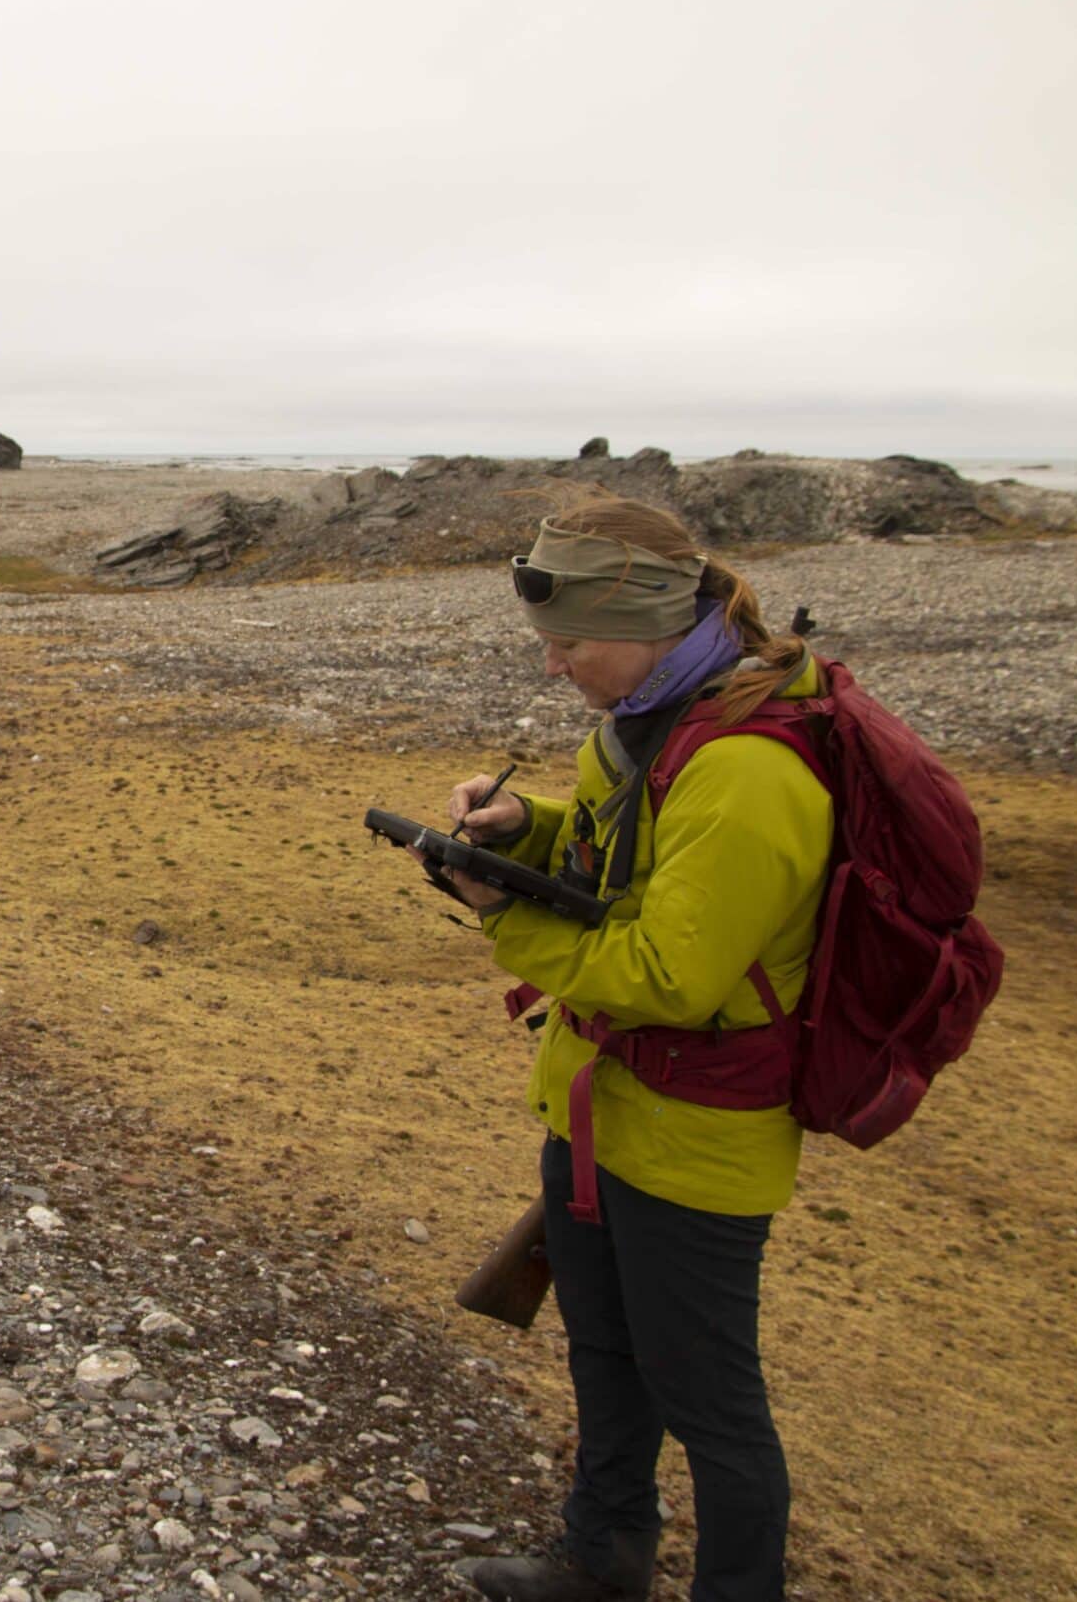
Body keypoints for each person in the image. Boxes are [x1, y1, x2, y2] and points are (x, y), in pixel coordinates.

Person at [432, 495, 829, 1602]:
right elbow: (630, 864)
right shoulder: (642, 718)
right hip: (596, 1105)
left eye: (569, 645)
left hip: (697, 1138)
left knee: (710, 1403)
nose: (552, 666)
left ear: (651, 624)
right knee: (604, 1355)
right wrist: (532, 831)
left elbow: (669, 973)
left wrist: (500, 916)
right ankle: (602, 1560)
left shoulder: (750, 766)